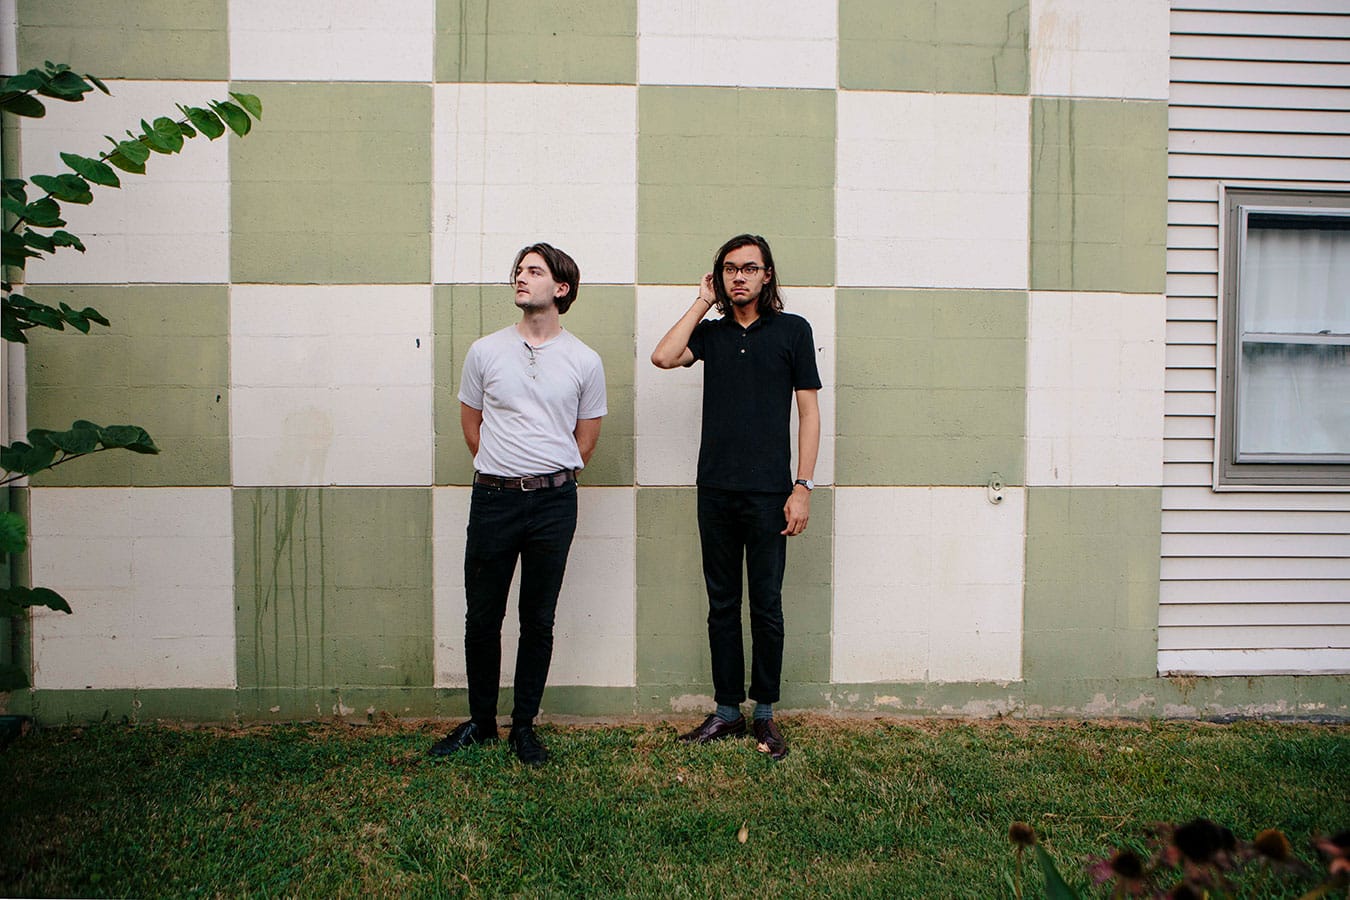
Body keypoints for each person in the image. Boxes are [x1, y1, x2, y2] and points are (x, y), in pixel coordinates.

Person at [430, 242, 606, 766]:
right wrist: (503, 470)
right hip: (494, 499)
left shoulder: (584, 360)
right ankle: (481, 723)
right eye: (519, 271)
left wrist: (544, 474)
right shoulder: (485, 351)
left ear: (561, 287)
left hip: (554, 503)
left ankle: (524, 727)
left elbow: (585, 441)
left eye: (534, 271)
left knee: (538, 618)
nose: (521, 278)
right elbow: (472, 425)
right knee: (482, 616)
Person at [650, 233, 821, 760]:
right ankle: (727, 711)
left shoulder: (793, 331)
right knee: (722, 605)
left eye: (749, 268)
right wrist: (702, 301)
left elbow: (809, 413)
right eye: (729, 269)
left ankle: (764, 712)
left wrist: (802, 486)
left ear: (767, 275)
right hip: (717, 491)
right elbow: (663, 356)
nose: (738, 277)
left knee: (766, 606)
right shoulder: (712, 334)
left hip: (771, 493)